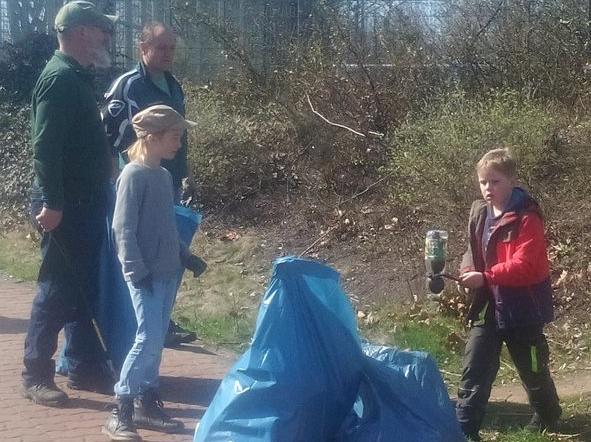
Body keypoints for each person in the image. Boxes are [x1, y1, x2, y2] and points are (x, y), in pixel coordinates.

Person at [22, 1, 117, 406]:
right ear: (80, 32)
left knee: (82, 288)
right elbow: (44, 148)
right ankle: (35, 374)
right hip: (65, 203)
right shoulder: (59, 78)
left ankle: (85, 366)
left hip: (84, 201)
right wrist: (54, 203)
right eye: (99, 30)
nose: (105, 36)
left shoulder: (76, 75)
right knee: (56, 288)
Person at [103, 105, 203, 440]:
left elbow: (165, 226)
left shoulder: (162, 176)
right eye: (175, 136)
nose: (179, 143)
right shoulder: (133, 175)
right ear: (153, 136)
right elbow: (123, 229)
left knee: (157, 340)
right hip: (143, 275)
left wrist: (185, 255)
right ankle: (121, 407)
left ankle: (148, 402)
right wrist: (135, 269)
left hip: (166, 272)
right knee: (145, 338)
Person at [102, 21, 197, 347]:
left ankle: (160, 322)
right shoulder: (127, 86)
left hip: (168, 182)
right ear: (142, 49)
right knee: (136, 256)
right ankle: (128, 330)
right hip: (137, 186)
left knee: (166, 253)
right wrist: (117, 181)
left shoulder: (175, 86)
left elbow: (180, 136)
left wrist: (181, 175)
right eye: (160, 47)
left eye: (171, 48)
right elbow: (107, 138)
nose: (167, 53)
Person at [456, 148, 561, 441]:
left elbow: (526, 266)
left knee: (533, 371)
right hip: (488, 306)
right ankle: (464, 429)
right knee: (474, 369)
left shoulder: (527, 217)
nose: (488, 188)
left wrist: (486, 277)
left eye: (496, 181)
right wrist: (467, 271)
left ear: (512, 180)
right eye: (483, 182)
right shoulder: (480, 212)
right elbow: (472, 251)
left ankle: (548, 415)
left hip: (523, 308)